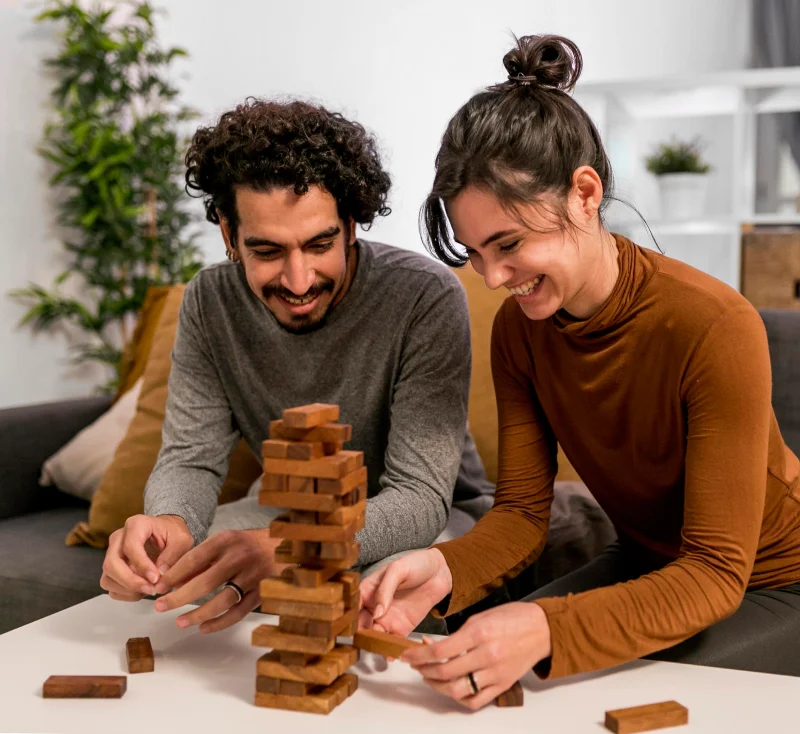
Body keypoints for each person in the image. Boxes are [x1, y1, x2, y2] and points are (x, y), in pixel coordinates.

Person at [360, 34, 800, 709]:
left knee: (547, 687)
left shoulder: (715, 325)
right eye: (477, 253)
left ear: (585, 193)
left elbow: (714, 572)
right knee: (481, 660)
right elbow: (521, 514)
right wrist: (440, 567)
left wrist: (544, 628)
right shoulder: (520, 334)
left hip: (772, 583)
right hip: (652, 566)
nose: (493, 277)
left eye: (509, 244)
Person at [99, 98, 494, 634]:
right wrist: (167, 523)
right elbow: (191, 458)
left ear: (351, 223)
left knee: (378, 599)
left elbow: (420, 498)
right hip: (288, 508)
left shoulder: (424, 297)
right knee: (184, 575)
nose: (299, 280)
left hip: (428, 514)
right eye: (266, 251)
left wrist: (291, 548)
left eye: (320, 244)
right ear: (227, 234)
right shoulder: (209, 303)